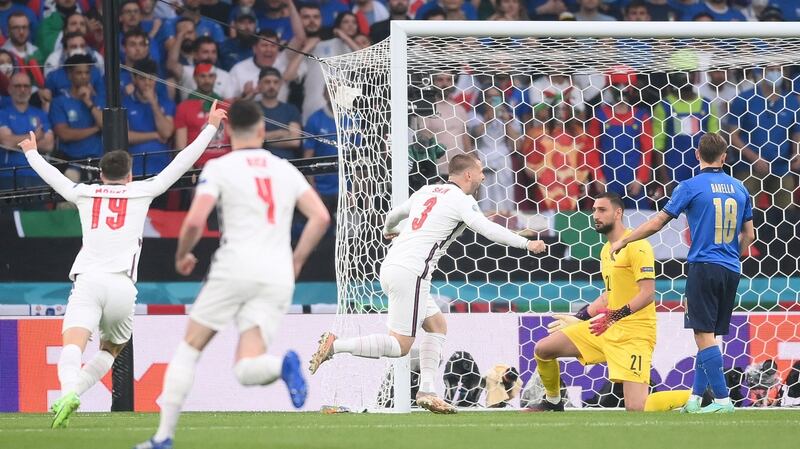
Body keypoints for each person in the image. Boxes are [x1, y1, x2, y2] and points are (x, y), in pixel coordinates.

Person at [135, 100, 330, 449]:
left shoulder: (220, 167)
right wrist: (297, 261)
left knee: (190, 347)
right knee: (246, 368)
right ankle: (282, 365)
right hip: (276, 274)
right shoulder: (284, 168)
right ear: (260, 130)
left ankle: (163, 438)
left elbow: (195, 220)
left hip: (234, 267)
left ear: (227, 132)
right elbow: (320, 217)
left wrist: (182, 255)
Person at [19, 101, 226, 429]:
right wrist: (211, 126)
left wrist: (31, 151)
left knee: (72, 345)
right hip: (122, 288)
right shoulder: (143, 190)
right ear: (129, 175)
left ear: (101, 174)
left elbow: (53, 177)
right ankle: (75, 393)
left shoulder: (83, 192)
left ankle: (68, 390)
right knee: (111, 350)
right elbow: (181, 163)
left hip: (89, 281)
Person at [309, 154, 547, 414]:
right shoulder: (461, 200)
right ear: (468, 175)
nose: (482, 176)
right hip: (412, 273)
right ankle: (335, 346)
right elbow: (487, 230)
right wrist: (526, 243)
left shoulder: (427, 190)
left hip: (392, 267)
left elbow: (394, 214)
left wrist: (390, 229)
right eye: (480, 172)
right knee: (400, 346)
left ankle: (427, 391)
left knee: (437, 326)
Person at [609, 132, 755, 413]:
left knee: (702, 333)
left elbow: (657, 223)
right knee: (710, 334)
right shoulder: (740, 188)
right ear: (725, 156)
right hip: (731, 267)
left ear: (697, 155)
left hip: (703, 265)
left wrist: (625, 239)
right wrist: (732, 256)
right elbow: (749, 235)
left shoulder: (689, 186)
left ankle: (724, 401)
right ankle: (696, 399)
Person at [531, 191, 656, 412]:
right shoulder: (607, 250)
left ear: (618, 213)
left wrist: (614, 316)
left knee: (637, 409)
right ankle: (553, 401)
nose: (595, 215)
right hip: (606, 327)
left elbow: (647, 294)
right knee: (544, 349)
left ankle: (696, 398)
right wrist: (580, 317)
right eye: (594, 210)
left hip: (633, 334)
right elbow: (609, 294)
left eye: (602, 210)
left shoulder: (637, 245)